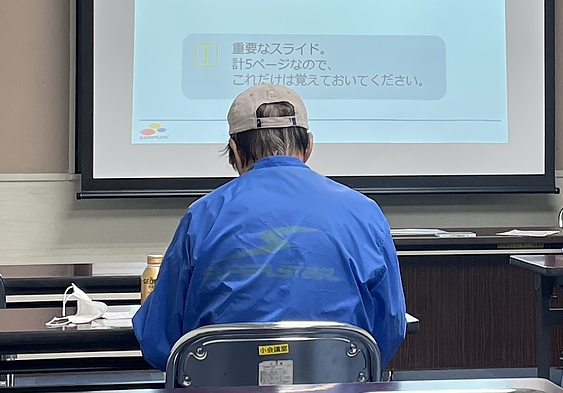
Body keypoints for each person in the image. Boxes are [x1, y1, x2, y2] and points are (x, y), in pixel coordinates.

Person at [133, 84, 407, 371]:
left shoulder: (203, 216)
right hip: (339, 385)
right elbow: (388, 330)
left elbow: (159, 340)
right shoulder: (364, 212)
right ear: (309, 146)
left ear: (235, 150)